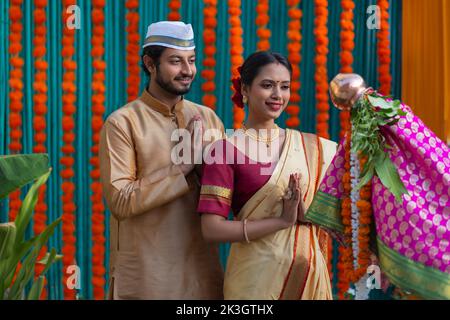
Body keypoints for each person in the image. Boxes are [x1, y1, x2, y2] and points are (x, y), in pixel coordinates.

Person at [197, 51, 338, 300]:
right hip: (254, 285)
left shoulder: (314, 148)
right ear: (245, 89)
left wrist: (306, 214)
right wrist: (281, 221)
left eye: (284, 87)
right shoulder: (225, 150)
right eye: (267, 85)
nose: (277, 95)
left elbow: (338, 218)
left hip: (307, 278)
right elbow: (212, 230)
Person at [100, 21, 224, 299]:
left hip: (201, 277)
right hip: (147, 279)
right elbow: (120, 200)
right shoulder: (123, 123)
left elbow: (222, 194)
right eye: (176, 61)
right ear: (150, 63)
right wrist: (183, 166)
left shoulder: (208, 118)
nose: (188, 70)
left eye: (191, 60)